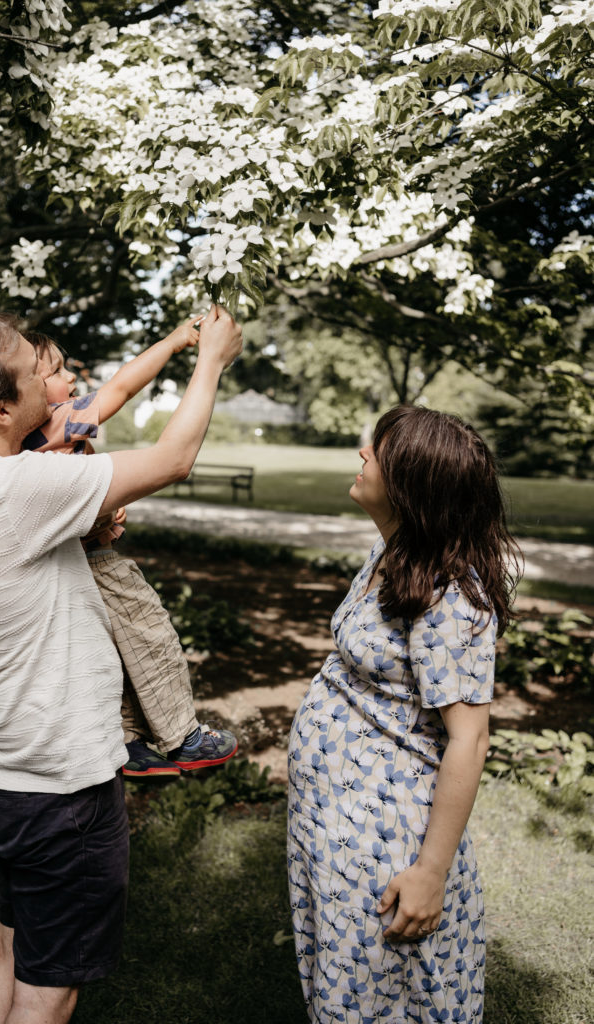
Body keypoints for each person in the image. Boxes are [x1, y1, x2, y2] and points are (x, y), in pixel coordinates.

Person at [0, 306, 242, 1024]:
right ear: (0, 410)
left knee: (14, 951)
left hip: (2, 769)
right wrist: (211, 358)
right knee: (50, 989)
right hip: (61, 786)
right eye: (31, 372)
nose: (47, 376)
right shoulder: (15, 489)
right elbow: (172, 459)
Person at [287, 405, 522, 1024]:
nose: (363, 453)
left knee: (389, 994)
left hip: (390, 837)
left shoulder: (452, 597)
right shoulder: (392, 553)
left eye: (379, 450)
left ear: (413, 486)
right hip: (336, 820)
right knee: (345, 986)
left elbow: (470, 741)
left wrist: (430, 873)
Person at [22, 324, 237, 778]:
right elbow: (119, 388)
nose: (71, 377)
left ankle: (129, 742)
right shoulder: (53, 421)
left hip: (70, 566)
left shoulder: (21, 446)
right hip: (97, 562)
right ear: (25, 389)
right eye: (56, 371)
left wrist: (105, 505)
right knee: (152, 635)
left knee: (113, 650)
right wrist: (174, 342)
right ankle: (184, 738)